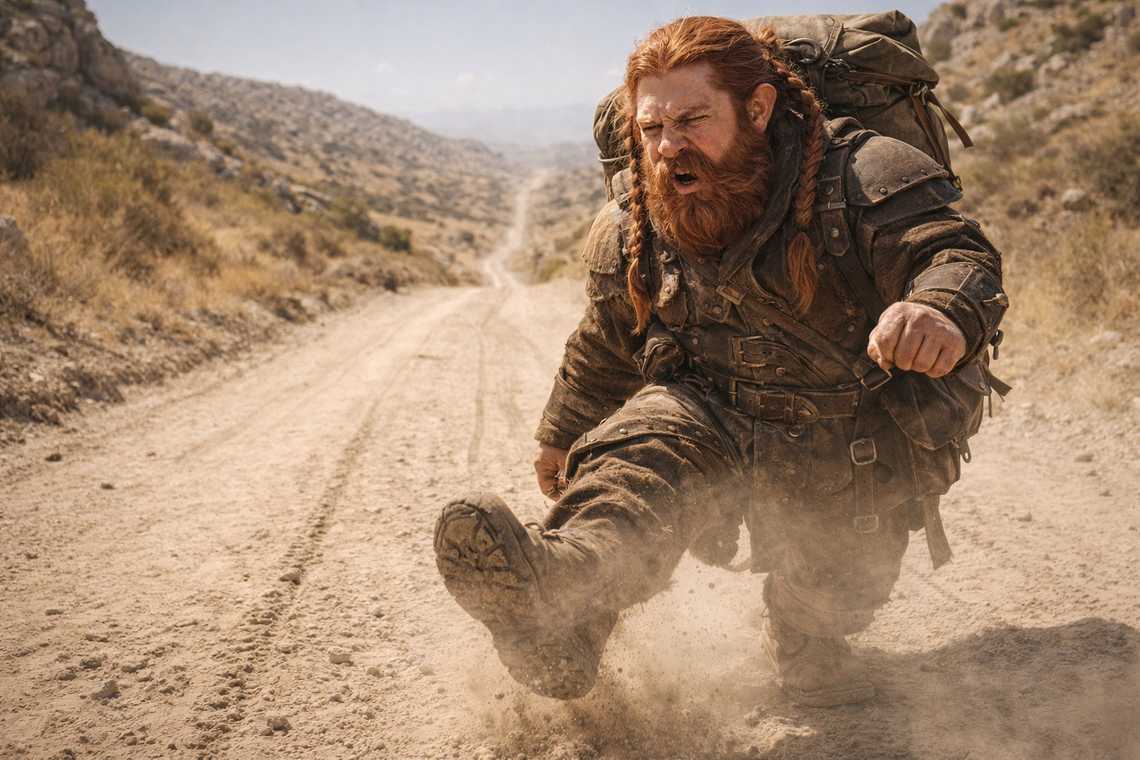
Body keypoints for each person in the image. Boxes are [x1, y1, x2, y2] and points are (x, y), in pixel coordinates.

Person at [433, 16, 1007, 707]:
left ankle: (809, 643)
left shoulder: (862, 172)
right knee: (634, 460)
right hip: (706, 411)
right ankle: (562, 603)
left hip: (851, 438)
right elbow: (611, 332)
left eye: (692, 119)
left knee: (828, 615)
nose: (670, 145)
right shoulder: (638, 216)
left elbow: (956, 253)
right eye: (651, 129)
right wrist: (561, 430)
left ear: (757, 108)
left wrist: (936, 309)